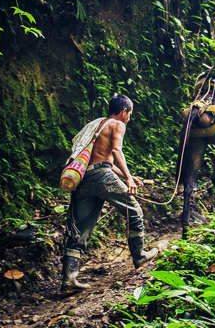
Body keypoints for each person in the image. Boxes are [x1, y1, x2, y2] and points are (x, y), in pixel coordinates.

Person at [61, 94, 157, 293]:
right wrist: (128, 180)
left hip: (85, 179)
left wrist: (127, 175)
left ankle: (69, 278)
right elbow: (116, 151)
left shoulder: (97, 126)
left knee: (80, 229)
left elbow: (104, 161)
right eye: (130, 114)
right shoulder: (117, 124)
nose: (129, 118)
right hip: (102, 178)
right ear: (124, 112)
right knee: (134, 211)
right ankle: (139, 256)